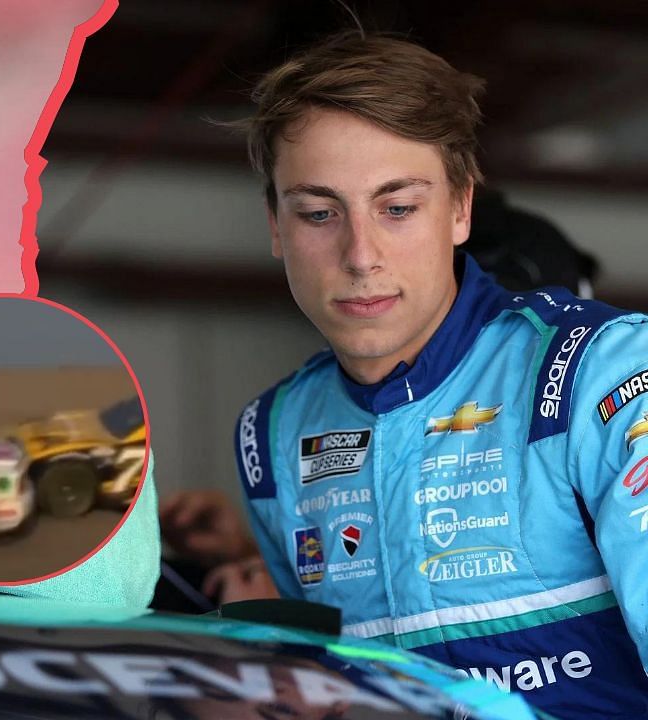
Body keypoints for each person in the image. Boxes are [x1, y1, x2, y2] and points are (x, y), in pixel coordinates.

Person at [162, 31, 648, 718]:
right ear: (275, 225)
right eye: (319, 213)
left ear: (459, 208)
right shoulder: (272, 434)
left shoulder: (599, 375)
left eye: (397, 207)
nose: (361, 255)